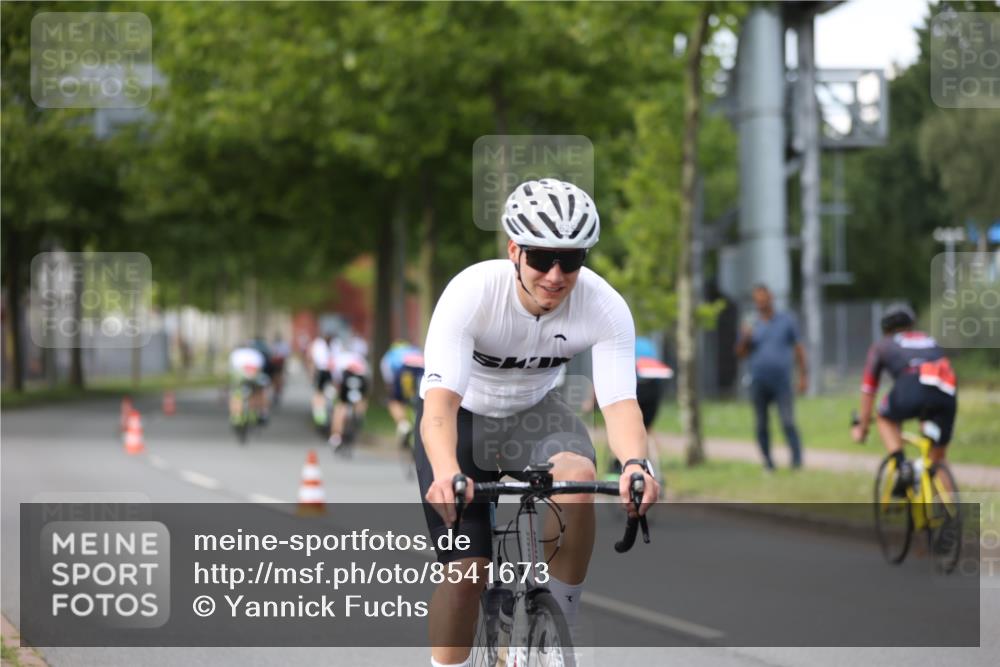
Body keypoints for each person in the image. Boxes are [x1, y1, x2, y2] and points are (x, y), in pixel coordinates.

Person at [416, 178, 659, 667]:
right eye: (542, 257)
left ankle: (559, 621)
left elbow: (619, 403)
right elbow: (440, 406)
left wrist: (636, 463)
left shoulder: (604, 305)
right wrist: (446, 473)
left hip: (536, 413)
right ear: (514, 251)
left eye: (570, 260)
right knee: (466, 576)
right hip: (464, 418)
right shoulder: (472, 293)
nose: (555, 274)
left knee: (580, 478)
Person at [851, 304, 957, 495]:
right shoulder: (929, 339)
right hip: (947, 391)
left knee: (884, 417)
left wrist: (862, 427)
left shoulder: (882, 345)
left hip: (912, 384)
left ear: (885, 329)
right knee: (937, 460)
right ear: (912, 325)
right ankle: (951, 511)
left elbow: (868, 389)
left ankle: (902, 466)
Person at [735, 284, 807, 471]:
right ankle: (768, 462)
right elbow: (740, 353)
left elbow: (799, 348)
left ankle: (797, 462)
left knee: (787, 421)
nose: (760, 303)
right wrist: (745, 337)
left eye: (763, 299)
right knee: (761, 425)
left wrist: (803, 376)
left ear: (770, 298)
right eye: (757, 300)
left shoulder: (786, 320)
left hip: (782, 381)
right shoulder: (751, 323)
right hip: (758, 381)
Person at [328, 342, 370, 452]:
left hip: (345, 377)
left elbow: (336, 379)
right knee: (361, 400)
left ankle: (336, 437)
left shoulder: (337, 358)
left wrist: (337, 390)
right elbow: (366, 375)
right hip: (361, 378)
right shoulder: (359, 357)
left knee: (341, 406)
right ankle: (359, 415)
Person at [380, 340, 426, 438]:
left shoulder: (390, 354)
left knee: (395, 401)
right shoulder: (415, 350)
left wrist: (392, 389)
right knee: (420, 400)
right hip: (422, 371)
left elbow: (388, 375)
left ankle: (404, 425)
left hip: (404, 372)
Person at [227, 341, 269, 423]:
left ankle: (236, 416)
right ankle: (260, 412)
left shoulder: (235, 353)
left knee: (236, 395)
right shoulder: (256, 353)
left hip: (240, 377)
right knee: (258, 392)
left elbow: (232, 368)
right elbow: (260, 368)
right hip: (254, 376)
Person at [308, 332, 335, 426]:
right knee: (320, 393)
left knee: (326, 392)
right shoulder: (318, 344)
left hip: (329, 371)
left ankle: (322, 413)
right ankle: (319, 415)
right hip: (322, 370)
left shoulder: (332, 344)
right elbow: (312, 358)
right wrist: (312, 372)